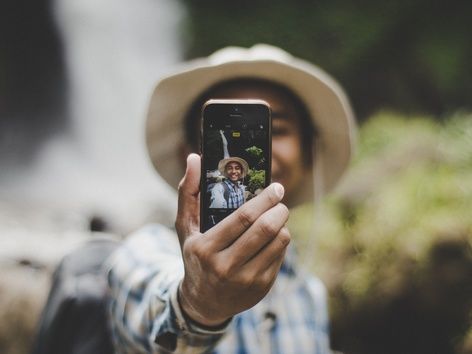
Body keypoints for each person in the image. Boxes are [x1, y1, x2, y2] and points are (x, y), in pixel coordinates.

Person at [106, 44, 356, 353]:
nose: (244, 156)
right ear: (189, 156)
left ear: (308, 154)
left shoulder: (308, 293)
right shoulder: (143, 253)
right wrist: (199, 304)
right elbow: (150, 319)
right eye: (222, 132)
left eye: (274, 129)